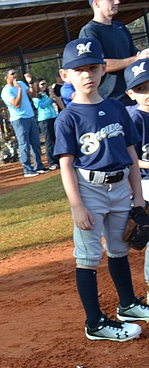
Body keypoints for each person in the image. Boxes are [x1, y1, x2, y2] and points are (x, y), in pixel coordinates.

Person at [54, 38, 149, 341]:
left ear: (104, 69)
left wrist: (137, 195)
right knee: (88, 256)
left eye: (93, 68)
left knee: (120, 249)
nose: (87, 75)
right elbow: (66, 165)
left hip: (121, 186)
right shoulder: (67, 118)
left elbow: (132, 155)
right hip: (89, 189)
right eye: (78, 69)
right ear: (65, 75)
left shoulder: (117, 108)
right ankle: (94, 322)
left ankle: (128, 304)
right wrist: (77, 205)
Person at [80, 0, 149, 105]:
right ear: (96, 3)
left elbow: (137, 56)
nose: (117, 2)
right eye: (111, 0)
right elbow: (101, 64)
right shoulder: (90, 31)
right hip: (113, 100)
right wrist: (136, 59)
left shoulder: (121, 28)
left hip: (134, 96)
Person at [125, 59, 149, 300]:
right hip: (144, 182)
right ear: (130, 94)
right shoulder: (135, 119)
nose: (147, 93)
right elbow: (129, 157)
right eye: (141, 89)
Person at [2, 68, 47, 178]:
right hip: (19, 119)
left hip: (30, 116)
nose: (15, 75)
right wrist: (19, 90)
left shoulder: (21, 83)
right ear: (6, 77)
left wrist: (30, 83)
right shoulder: (6, 91)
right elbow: (16, 104)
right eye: (12, 74)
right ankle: (27, 169)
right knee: (24, 144)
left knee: (35, 142)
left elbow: (32, 95)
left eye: (16, 73)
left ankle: (39, 166)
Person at [33, 78, 60, 170]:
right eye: (42, 84)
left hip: (53, 117)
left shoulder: (46, 94)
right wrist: (50, 97)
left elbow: (54, 101)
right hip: (44, 120)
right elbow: (42, 106)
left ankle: (58, 159)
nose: (44, 86)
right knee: (49, 141)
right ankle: (52, 162)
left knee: (56, 139)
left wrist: (52, 94)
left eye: (45, 84)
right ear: (37, 86)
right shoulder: (36, 97)